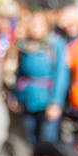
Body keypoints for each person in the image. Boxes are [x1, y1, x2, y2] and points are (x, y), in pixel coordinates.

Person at [12, 12, 70, 146]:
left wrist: (56, 102)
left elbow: (61, 74)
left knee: (47, 142)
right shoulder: (24, 46)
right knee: (29, 141)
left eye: (38, 25)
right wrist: (15, 95)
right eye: (32, 24)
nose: (35, 28)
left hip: (47, 100)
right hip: (28, 99)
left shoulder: (55, 44)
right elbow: (20, 73)